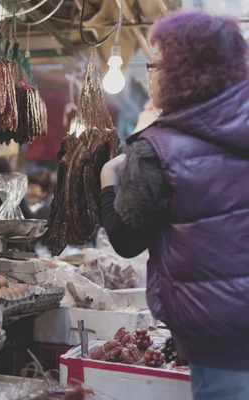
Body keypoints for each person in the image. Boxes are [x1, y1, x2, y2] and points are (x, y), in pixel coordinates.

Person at [99, 12, 249, 400]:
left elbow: (127, 240)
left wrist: (105, 182)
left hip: (219, 341)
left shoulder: (157, 150)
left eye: (157, 63)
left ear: (183, 72)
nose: (150, 74)